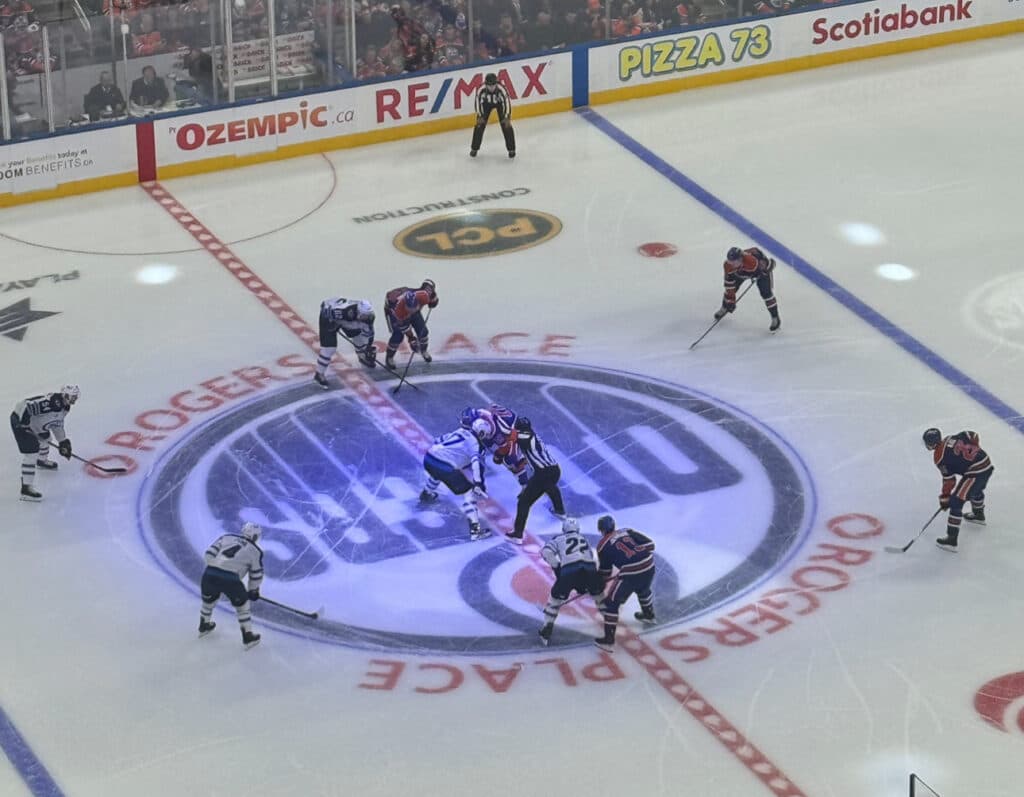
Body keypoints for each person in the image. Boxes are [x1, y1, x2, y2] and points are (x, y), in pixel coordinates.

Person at [923, 428, 994, 553]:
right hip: (986, 464)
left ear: (931, 444)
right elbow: (972, 434)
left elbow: (949, 480)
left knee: (956, 502)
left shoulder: (939, 457)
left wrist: (945, 498)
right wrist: (975, 451)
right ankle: (978, 515)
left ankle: (951, 540)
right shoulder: (951, 437)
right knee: (975, 490)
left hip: (975, 472)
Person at [420, 420, 492, 541]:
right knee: (470, 493)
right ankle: (476, 531)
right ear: (482, 434)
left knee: (437, 473)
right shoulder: (476, 445)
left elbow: (438, 440)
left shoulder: (460, 431)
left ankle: (426, 494)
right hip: (444, 466)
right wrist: (478, 482)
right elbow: (475, 463)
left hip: (429, 457)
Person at [538, 517, 605, 646]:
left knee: (555, 600)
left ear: (563, 529)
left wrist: (557, 567)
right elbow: (590, 556)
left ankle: (547, 628)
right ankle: (609, 618)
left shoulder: (558, 539)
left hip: (569, 570)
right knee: (598, 595)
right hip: (589, 569)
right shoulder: (583, 539)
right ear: (578, 529)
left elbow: (545, 552)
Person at [593, 515, 656, 651]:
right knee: (643, 589)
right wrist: (635, 557)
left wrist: (598, 583)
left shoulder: (602, 546)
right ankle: (649, 615)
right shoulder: (627, 531)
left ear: (601, 530)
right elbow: (650, 545)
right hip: (649, 565)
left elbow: (605, 571)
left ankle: (608, 640)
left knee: (611, 603)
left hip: (631, 574)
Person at [199, 522, 264, 649]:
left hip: (209, 574)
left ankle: (204, 625)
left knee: (208, 602)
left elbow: (208, 554)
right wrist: (253, 590)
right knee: (243, 607)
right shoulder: (256, 551)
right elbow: (256, 575)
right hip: (231, 580)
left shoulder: (226, 537)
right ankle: (248, 637)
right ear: (256, 537)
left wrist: (216, 566)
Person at [10, 385, 79, 502]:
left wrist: (62, 441)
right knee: (31, 454)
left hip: (35, 424)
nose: (74, 400)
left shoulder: (65, 408)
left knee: (46, 439)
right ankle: (26, 489)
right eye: (72, 397)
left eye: (75, 397)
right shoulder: (49, 403)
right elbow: (25, 405)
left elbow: (57, 424)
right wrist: (22, 422)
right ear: (65, 395)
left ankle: (41, 461)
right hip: (20, 424)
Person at [502, 416, 565, 545]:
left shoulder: (525, 436)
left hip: (544, 472)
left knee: (524, 502)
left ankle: (518, 534)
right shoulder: (533, 435)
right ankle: (560, 510)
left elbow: (509, 434)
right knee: (548, 486)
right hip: (552, 470)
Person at [713, 246, 781, 332]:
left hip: (758, 272)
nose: (732, 264)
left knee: (766, 293)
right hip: (741, 273)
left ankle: (775, 317)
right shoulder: (728, 265)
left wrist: (765, 270)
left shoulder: (752, 262)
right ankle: (724, 307)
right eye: (730, 261)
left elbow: (771, 264)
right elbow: (729, 284)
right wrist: (731, 301)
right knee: (731, 290)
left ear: (741, 259)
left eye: (734, 261)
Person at [313, 297, 376, 388]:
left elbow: (370, 333)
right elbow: (325, 310)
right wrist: (331, 324)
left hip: (345, 320)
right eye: (363, 315)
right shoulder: (346, 312)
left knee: (358, 335)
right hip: (329, 319)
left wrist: (368, 347)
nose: (365, 318)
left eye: (367, 315)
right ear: (358, 312)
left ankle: (362, 356)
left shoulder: (369, 317)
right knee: (329, 349)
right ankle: (319, 374)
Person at [383, 279, 438, 369]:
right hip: (394, 312)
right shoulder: (398, 312)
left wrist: (434, 300)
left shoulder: (424, 296)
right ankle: (389, 357)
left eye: (415, 307)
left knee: (423, 331)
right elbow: (405, 327)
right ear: (405, 305)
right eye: (410, 308)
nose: (412, 311)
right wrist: (411, 339)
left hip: (407, 308)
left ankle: (423, 350)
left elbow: (433, 297)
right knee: (398, 335)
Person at [470, 72, 515, 159]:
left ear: (496, 84)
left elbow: (506, 102)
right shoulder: (481, 90)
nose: (492, 87)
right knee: (479, 126)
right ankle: (474, 148)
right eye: (489, 85)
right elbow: (478, 103)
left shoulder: (502, 89)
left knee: (507, 126)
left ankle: (511, 149)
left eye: (494, 85)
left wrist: (507, 116)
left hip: (499, 104)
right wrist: (480, 116)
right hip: (486, 105)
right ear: (486, 84)